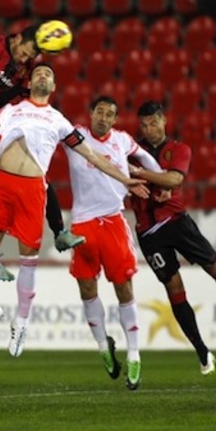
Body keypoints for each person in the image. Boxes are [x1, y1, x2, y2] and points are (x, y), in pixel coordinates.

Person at [0, 64, 149, 358]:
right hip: (1, 182)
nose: (43, 76)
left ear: (54, 87)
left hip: (32, 189)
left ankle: (22, 323)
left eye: (49, 75)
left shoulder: (59, 121)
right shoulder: (11, 109)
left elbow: (92, 155)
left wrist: (124, 179)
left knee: (28, 259)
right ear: (29, 82)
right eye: (39, 73)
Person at [130, 101, 216, 375]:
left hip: (177, 223)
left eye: (153, 123)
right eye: (144, 125)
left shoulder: (179, 149)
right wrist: (138, 179)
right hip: (148, 234)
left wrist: (141, 175)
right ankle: (202, 350)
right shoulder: (133, 150)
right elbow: (121, 172)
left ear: (164, 121)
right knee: (174, 289)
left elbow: (173, 180)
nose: (149, 129)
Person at [0, 26, 84, 282]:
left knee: (36, 175)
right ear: (17, 39)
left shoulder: (26, 67)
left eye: (31, 56)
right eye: (26, 52)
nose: (26, 59)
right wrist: (1, 94)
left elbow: (25, 93)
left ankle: (59, 232)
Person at [65, 96, 168, 391]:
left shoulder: (122, 140)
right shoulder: (76, 135)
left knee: (124, 287)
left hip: (112, 221)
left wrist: (158, 179)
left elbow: (146, 159)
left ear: (114, 120)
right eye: (100, 111)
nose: (104, 117)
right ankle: (103, 347)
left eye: (110, 114)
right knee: (87, 288)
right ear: (91, 113)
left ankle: (134, 354)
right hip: (83, 223)